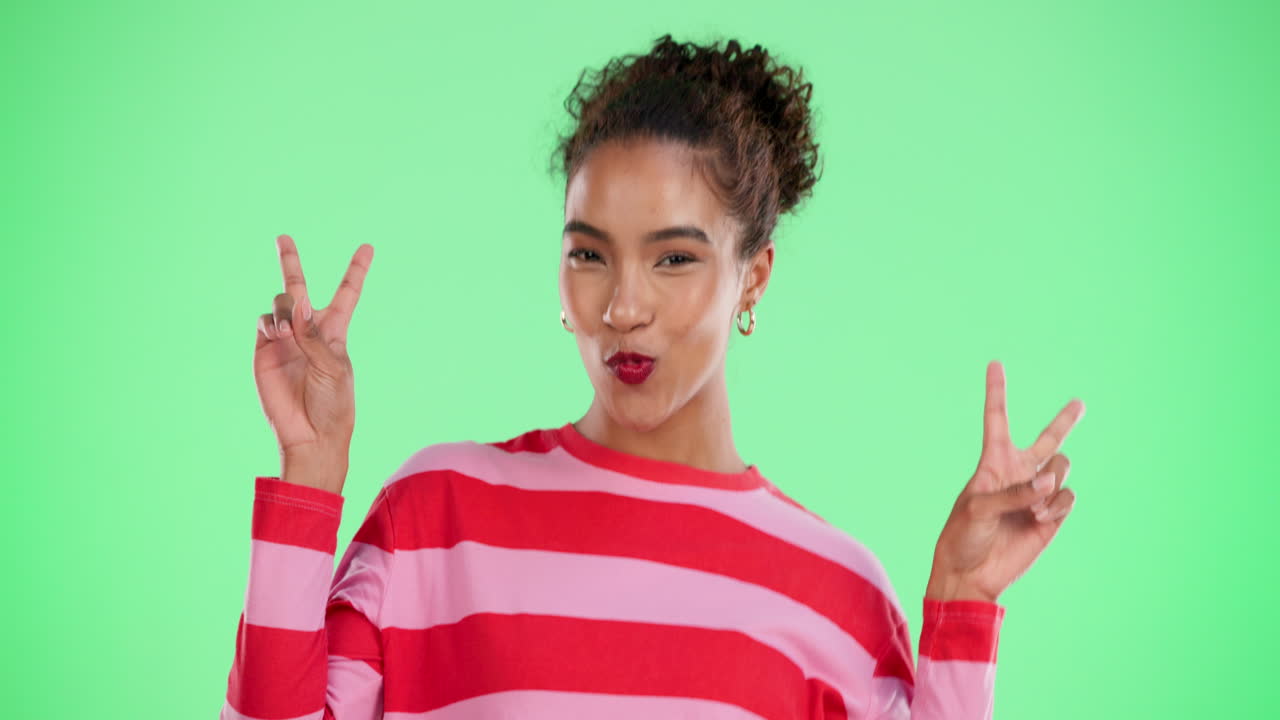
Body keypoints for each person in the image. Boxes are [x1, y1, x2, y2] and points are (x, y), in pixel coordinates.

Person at [220, 34, 1085, 720]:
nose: (623, 306)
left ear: (754, 276)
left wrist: (963, 603)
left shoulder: (837, 595)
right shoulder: (436, 515)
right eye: (590, 255)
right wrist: (312, 473)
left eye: (674, 258)